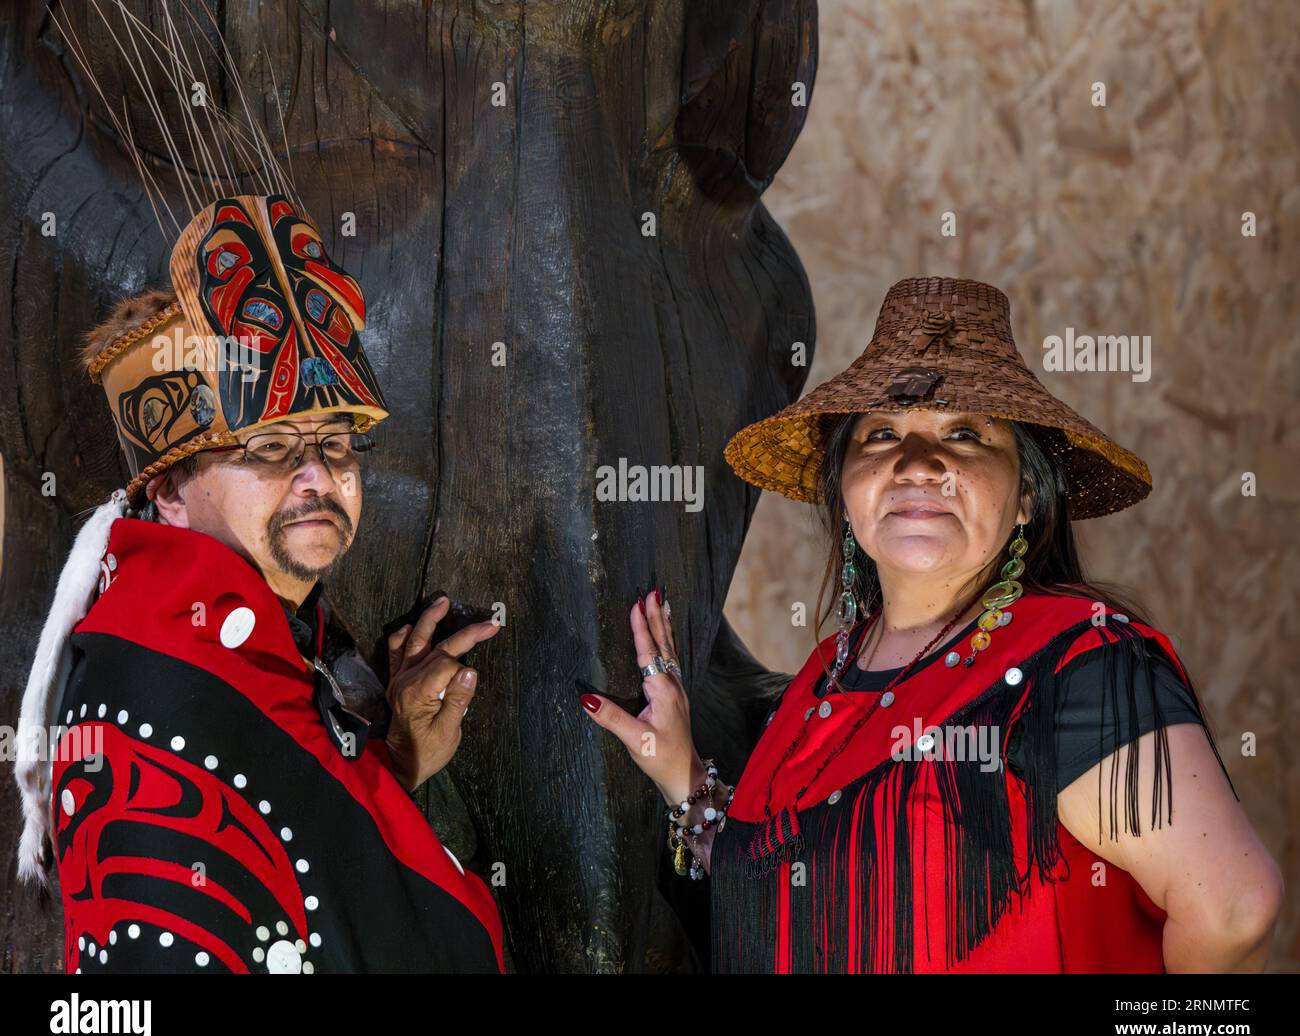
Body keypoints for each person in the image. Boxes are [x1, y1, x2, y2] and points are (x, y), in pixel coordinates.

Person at [580, 276, 1284, 973]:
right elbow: (803, 893)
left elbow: (1232, 908)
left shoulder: (1080, 662)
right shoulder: (823, 681)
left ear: (1026, 497)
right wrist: (688, 783)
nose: (919, 464)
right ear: (845, 493)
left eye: (966, 433)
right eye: (883, 433)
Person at [14, 192, 503, 973]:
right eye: (271, 444)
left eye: (337, 442)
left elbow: (289, 848)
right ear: (170, 490)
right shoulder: (179, 673)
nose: (318, 475)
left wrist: (392, 761)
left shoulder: (173, 630)